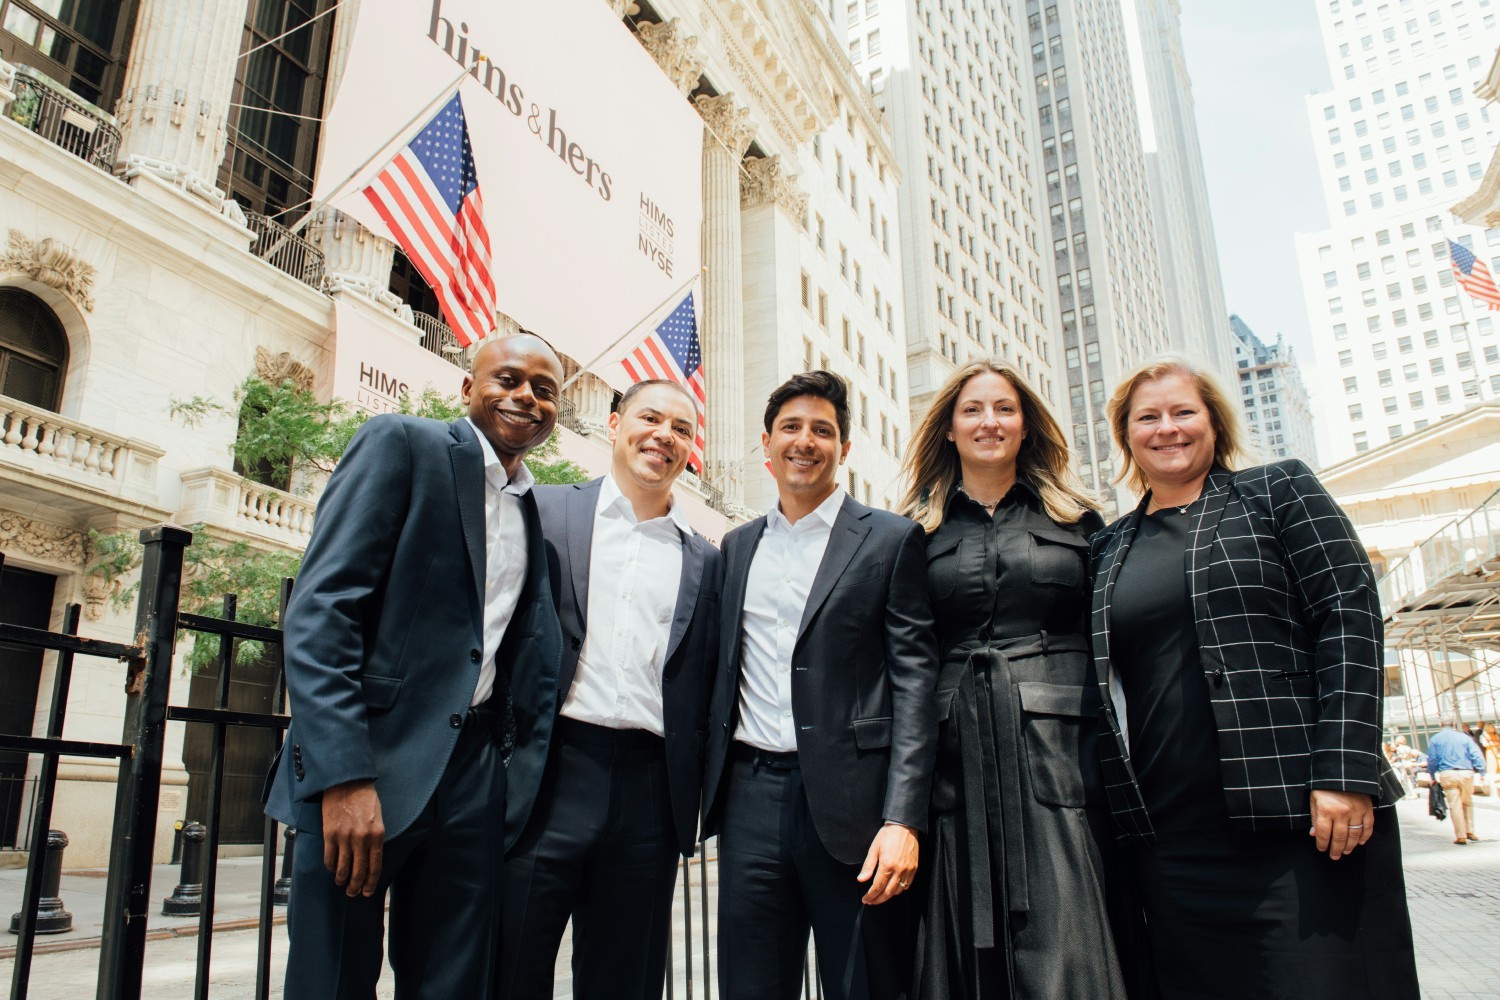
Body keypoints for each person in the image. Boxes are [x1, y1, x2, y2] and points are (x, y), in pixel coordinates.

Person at [1088, 357, 1419, 1000]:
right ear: (1126, 436)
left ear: (1214, 421)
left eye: (1184, 412)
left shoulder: (1278, 492)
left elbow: (1348, 613)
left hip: (1301, 818)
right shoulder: (1108, 546)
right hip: (1171, 836)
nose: (1167, 429)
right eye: (1147, 418)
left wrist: (1343, 772)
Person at [264, 334, 565, 1000]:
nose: (525, 397)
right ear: (467, 389)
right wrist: (343, 777)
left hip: (471, 783)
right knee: (331, 980)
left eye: (544, 390)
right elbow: (322, 614)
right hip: (368, 770)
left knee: (451, 984)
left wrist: (502, 782)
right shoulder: (402, 444)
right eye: (508, 379)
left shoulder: (531, 511)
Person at [702, 371, 938, 1000]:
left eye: (822, 431)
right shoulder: (736, 547)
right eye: (792, 428)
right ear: (767, 443)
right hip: (750, 798)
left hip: (858, 809)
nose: (806, 441)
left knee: (865, 984)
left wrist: (903, 818)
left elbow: (916, 683)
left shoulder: (891, 539)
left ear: (844, 448)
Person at [894, 361, 1125, 1000]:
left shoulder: (1080, 521)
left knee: (1069, 922)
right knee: (954, 933)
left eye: (1004, 409)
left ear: (1027, 426)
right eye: (972, 410)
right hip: (953, 754)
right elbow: (904, 652)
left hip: (1061, 755)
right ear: (948, 429)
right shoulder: (913, 531)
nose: (989, 422)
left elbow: (1112, 637)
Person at [499, 379, 722, 998]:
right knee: (510, 964)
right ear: (615, 422)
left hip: (649, 790)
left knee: (625, 980)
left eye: (681, 429)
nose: (665, 436)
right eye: (651, 418)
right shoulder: (543, 510)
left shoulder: (707, 561)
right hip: (547, 774)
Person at [1427, 720, 1486, 844]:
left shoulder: (1435, 739)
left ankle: (1461, 836)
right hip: (1466, 773)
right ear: (1454, 725)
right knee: (1468, 802)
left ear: (1440, 724)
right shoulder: (1464, 737)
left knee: (1455, 805)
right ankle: (1470, 831)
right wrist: (1482, 772)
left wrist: (1432, 775)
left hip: (1447, 774)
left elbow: (1432, 759)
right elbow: (1476, 754)